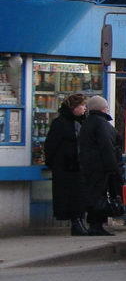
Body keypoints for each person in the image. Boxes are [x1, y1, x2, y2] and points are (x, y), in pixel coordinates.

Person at [43, 93, 89, 236]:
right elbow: (51, 145)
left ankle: (79, 221)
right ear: (74, 107)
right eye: (82, 105)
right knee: (70, 196)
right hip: (65, 167)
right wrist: (53, 163)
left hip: (78, 166)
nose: (84, 108)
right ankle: (76, 223)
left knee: (80, 196)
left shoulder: (82, 122)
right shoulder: (61, 123)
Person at [78, 96, 123, 236]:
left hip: (89, 165)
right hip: (101, 166)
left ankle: (94, 224)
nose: (107, 108)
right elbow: (107, 147)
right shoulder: (101, 124)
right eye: (105, 106)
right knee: (100, 195)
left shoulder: (87, 123)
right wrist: (114, 168)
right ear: (102, 108)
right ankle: (97, 225)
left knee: (94, 195)